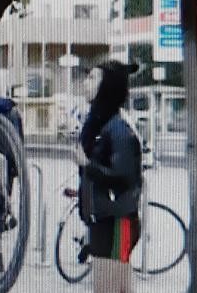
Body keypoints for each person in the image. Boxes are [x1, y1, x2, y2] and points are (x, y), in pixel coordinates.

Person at [76, 60, 143, 293]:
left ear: (108, 87)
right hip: (105, 221)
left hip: (116, 222)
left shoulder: (118, 130)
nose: (86, 83)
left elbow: (123, 178)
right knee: (120, 289)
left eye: (93, 78)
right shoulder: (100, 124)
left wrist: (87, 165)